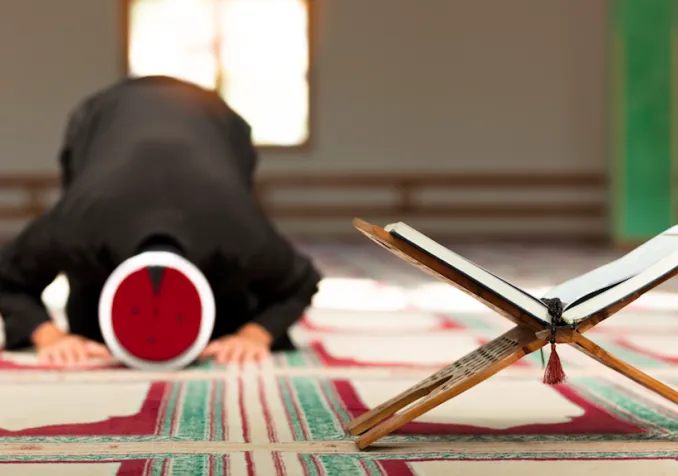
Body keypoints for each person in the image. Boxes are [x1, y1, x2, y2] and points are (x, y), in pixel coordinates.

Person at [0, 76, 322, 367]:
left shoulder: (239, 230)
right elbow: (7, 277)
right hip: (106, 116)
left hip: (214, 120)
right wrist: (49, 336)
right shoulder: (76, 223)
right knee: (89, 330)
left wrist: (253, 334)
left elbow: (300, 281)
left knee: (231, 320)